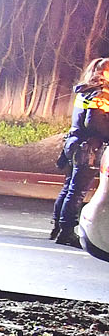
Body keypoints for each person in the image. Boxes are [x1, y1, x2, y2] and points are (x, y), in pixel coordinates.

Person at [54, 56, 109, 246]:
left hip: (74, 143)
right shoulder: (101, 94)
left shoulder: (84, 90)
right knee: (77, 192)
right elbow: (94, 122)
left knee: (69, 188)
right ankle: (66, 232)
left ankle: (57, 228)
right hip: (89, 148)